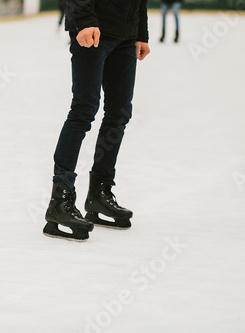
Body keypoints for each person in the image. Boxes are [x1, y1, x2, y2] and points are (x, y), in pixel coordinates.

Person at [43, 0, 150, 241]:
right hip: (94, 28)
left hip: (126, 34)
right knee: (83, 110)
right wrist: (84, 21)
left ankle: (100, 193)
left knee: (119, 113)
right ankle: (60, 199)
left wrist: (140, 33)